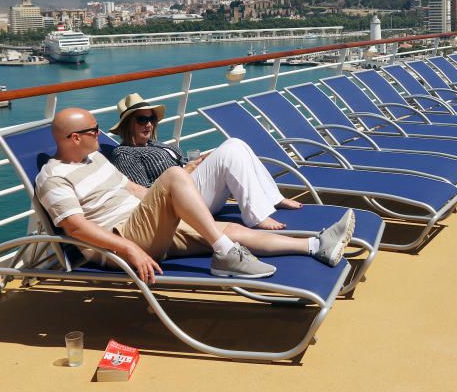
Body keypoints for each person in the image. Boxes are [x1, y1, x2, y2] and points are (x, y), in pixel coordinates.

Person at [35, 107, 355, 282]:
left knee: (230, 230)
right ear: (75, 138)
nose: (100, 134)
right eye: (94, 130)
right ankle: (225, 253)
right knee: (175, 175)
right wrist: (130, 250)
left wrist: (170, 203)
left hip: (143, 226)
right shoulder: (53, 177)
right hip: (120, 241)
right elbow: (75, 228)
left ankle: (315, 246)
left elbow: (133, 189)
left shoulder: (96, 158)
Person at [108, 93, 301, 230]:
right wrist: (187, 172)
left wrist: (197, 163)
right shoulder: (124, 154)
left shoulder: (156, 144)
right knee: (232, 147)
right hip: (176, 207)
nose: (149, 124)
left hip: (193, 195)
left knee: (237, 144)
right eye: (142, 120)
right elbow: (147, 196)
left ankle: (274, 198)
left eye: (151, 119)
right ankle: (256, 216)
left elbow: (178, 166)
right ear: (128, 125)